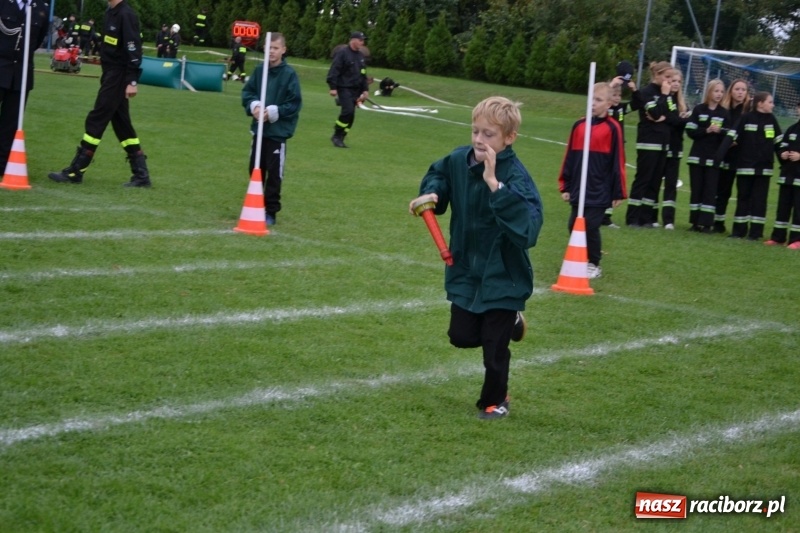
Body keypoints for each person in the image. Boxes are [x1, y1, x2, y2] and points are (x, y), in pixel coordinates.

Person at [408, 96, 544, 420]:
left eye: (489, 135)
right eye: (476, 132)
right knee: (462, 336)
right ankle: (512, 322)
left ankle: (495, 401)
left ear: (509, 138)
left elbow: (529, 230)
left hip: (504, 276)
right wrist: (433, 192)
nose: (480, 141)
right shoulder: (459, 160)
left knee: (493, 349)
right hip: (467, 268)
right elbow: (439, 174)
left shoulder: (516, 178)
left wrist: (496, 187)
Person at [48, 0, 151, 188]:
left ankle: (76, 170)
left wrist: (132, 81)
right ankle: (141, 175)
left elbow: (133, 49)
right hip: (110, 74)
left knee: (97, 118)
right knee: (122, 125)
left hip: (119, 76)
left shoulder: (126, 15)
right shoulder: (110, 13)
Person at [558, 82, 627, 279]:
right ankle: (578, 257)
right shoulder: (579, 126)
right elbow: (569, 156)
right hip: (579, 188)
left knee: (591, 225)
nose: (593, 104)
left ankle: (593, 263)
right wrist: (566, 185)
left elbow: (618, 161)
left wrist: (618, 191)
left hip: (600, 189)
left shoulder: (613, 129)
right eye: (591, 99)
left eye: (598, 100)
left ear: (609, 104)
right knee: (573, 224)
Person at [242, 33, 302, 226]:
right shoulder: (260, 71)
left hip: (277, 134)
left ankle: (271, 211)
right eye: (269, 48)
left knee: (274, 174)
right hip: (259, 133)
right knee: (255, 169)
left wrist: (273, 111)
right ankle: (255, 204)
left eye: (276, 48)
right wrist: (255, 106)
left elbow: (294, 103)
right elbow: (248, 92)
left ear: (283, 50)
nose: (272, 52)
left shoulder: (289, 75)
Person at [0, 0, 50, 178]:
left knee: (11, 122)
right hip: (1, 65)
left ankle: (3, 163)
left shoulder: (41, 8)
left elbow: (36, 40)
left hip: (21, 73)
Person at [728, 91, 782, 240]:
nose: (773, 105)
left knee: (760, 201)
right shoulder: (745, 118)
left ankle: (755, 233)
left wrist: (785, 161)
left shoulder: (772, 120)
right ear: (760, 103)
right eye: (770, 102)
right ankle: (738, 231)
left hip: (764, 169)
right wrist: (720, 155)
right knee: (743, 198)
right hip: (745, 167)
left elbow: (779, 142)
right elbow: (731, 138)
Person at [626, 61, 673, 228]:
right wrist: (665, 98)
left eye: (671, 78)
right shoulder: (647, 92)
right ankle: (632, 218)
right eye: (667, 77)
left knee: (655, 182)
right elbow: (655, 112)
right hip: (648, 142)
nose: (669, 81)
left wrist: (665, 115)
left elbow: (673, 116)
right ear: (656, 75)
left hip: (663, 143)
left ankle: (646, 218)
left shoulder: (667, 94)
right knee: (643, 179)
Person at [685, 79, 728, 233]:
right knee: (697, 190)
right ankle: (695, 222)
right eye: (716, 91)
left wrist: (720, 131)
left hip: (714, 159)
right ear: (709, 92)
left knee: (710, 191)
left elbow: (729, 134)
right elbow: (690, 131)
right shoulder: (699, 110)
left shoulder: (724, 113)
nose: (719, 94)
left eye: (721, 91)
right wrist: (706, 130)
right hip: (697, 157)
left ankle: (707, 223)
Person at [714, 78, 750, 233]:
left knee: (743, 194)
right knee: (722, 191)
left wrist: (738, 140)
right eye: (737, 89)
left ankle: (740, 227)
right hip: (725, 156)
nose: (740, 92)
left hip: (742, 158)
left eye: (743, 90)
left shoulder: (748, 112)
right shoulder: (723, 110)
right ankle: (718, 223)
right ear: (731, 91)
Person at [765, 101, 800, 249]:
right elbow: (782, 145)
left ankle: (797, 240)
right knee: (783, 208)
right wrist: (783, 153)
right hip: (787, 176)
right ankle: (778, 237)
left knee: (798, 210)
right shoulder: (792, 129)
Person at [660, 69, 692, 230]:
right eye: (673, 81)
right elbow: (672, 120)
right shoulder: (663, 99)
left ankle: (668, 220)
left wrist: (683, 118)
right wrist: (681, 119)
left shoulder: (682, 103)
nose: (676, 84)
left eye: (679, 82)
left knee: (671, 184)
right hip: (660, 146)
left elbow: (679, 121)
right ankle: (650, 217)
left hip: (675, 147)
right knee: (655, 181)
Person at [326, 31, 369, 148]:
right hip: (344, 88)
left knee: (351, 116)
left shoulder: (360, 56)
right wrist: (333, 87)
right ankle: (336, 135)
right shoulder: (342, 53)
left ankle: (341, 136)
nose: (362, 42)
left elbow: (363, 74)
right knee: (348, 111)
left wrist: (365, 90)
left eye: (363, 40)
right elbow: (334, 70)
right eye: (360, 40)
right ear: (353, 40)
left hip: (356, 90)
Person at [604, 74, 636, 229]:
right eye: (614, 95)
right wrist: (610, 86)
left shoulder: (621, 109)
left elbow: (636, 104)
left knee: (614, 180)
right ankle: (599, 213)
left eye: (619, 95)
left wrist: (634, 90)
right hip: (605, 149)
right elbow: (597, 100)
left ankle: (607, 215)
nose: (617, 98)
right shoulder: (604, 109)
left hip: (618, 149)